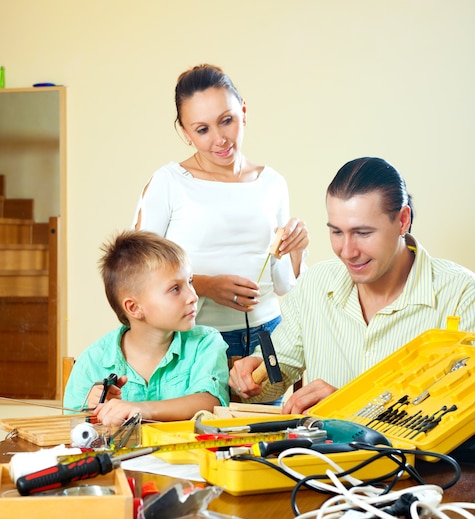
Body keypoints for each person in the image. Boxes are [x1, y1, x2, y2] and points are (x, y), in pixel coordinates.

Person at [229, 156, 475, 413]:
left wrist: (349, 406)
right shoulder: (315, 285)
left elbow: (463, 411)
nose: (347, 251)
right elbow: (276, 376)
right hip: (321, 454)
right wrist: (252, 375)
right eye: (336, 232)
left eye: (363, 233)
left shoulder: (461, 294)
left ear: (403, 220)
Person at [132, 63, 309, 365]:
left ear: (243, 110)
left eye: (226, 120)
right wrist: (204, 285)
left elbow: (282, 285)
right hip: (196, 338)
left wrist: (298, 250)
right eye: (202, 129)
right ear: (185, 132)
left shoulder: (273, 183)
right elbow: (136, 271)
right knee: (199, 415)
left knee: (269, 416)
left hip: (268, 335)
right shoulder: (169, 182)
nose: (220, 139)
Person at [64, 230, 230, 428]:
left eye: (190, 282)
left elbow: (210, 403)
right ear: (134, 308)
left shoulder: (206, 342)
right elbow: (71, 427)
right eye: (175, 289)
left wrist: (140, 409)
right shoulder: (93, 361)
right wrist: (96, 412)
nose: (193, 296)